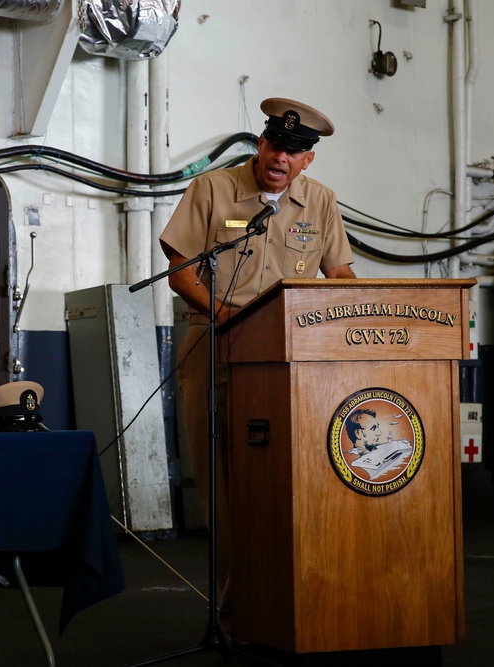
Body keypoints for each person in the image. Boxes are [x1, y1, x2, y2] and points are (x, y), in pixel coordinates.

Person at [159, 97, 356, 638]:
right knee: (223, 483)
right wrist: (230, 319)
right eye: (274, 144)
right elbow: (181, 274)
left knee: (295, 477)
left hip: (294, 356)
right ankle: (234, 610)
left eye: (293, 152)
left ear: (307, 160)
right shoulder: (213, 190)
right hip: (216, 345)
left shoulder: (321, 202)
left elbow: (338, 271)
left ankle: (290, 601)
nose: (280, 158)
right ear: (261, 143)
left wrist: (364, 309)